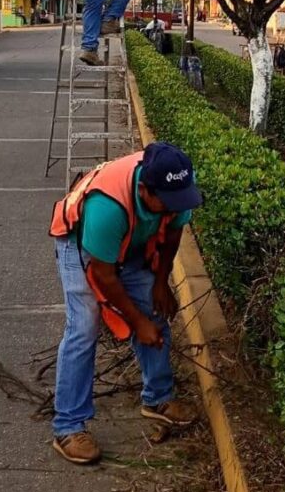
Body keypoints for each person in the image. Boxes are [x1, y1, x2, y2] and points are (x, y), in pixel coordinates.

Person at [48, 142, 203, 465]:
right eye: (168, 202)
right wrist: (137, 323)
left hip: (130, 241)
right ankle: (68, 426)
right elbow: (104, 276)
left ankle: (158, 399)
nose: (176, 207)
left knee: (154, 308)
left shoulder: (176, 185)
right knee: (84, 327)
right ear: (145, 190)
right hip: (83, 246)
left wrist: (161, 283)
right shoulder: (107, 207)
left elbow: (173, 233)